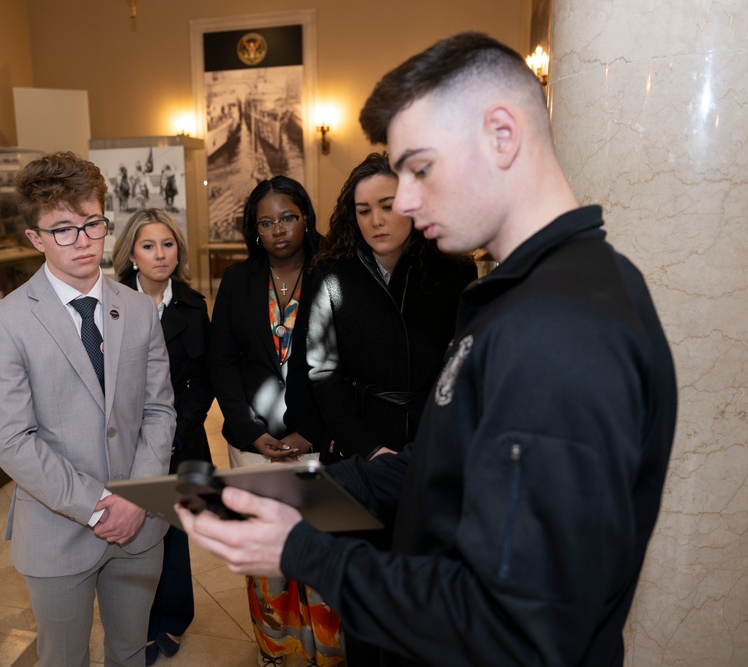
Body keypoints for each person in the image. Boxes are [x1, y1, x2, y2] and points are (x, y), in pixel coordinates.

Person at [177, 32, 678, 667]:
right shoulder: (522, 293)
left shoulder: (563, 329)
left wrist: (304, 552)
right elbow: (450, 462)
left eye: (419, 168)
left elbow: (519, 624)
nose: (405, 201)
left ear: (502, 135)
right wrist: (303, 491)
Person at [0, 151, 176, 667]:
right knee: (63, 659)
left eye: (92, 223)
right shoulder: (5, 321)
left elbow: (159, 411)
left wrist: (136, 498)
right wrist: (97, 505)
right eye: (63, 229)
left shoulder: (138, 309)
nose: (83, 241)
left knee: (130, 651)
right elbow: (12, 440)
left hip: (139, 526)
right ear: (35, 239)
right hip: (57, 529)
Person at [207, 176, 341, 666]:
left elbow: (347, 365)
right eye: (266, 222)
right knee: (268, 558)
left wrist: (313, 432)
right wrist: (249, 431)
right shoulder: (238, 281)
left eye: (288, 217)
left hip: (321, 442)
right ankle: (276, 651)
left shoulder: (338, 273)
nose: (279, 229)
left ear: (306, 217)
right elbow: (221, 360)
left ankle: (326, 652)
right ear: (254, 230)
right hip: (253, 443)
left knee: (320, 550)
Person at [305, 152, 475, 464]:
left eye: (388, 205)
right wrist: (367, 448)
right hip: (358, 443)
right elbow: (323, 372)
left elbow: (462, 366)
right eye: (363, 211)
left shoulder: (455, 271)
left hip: (434, 439)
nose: (376, 221)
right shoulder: (331, 273)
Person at [111, 209, 214, 666]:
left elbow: (202, 381)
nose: (160, 254)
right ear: (131, 254)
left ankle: (172, 617)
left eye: (168, 244)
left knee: (173, 534)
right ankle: (136, 623)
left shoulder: (193, 306)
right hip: (122, 443)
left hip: (180, 440)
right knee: (131, 537)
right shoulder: (108, 302)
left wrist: (172, 432)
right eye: (149, 246)